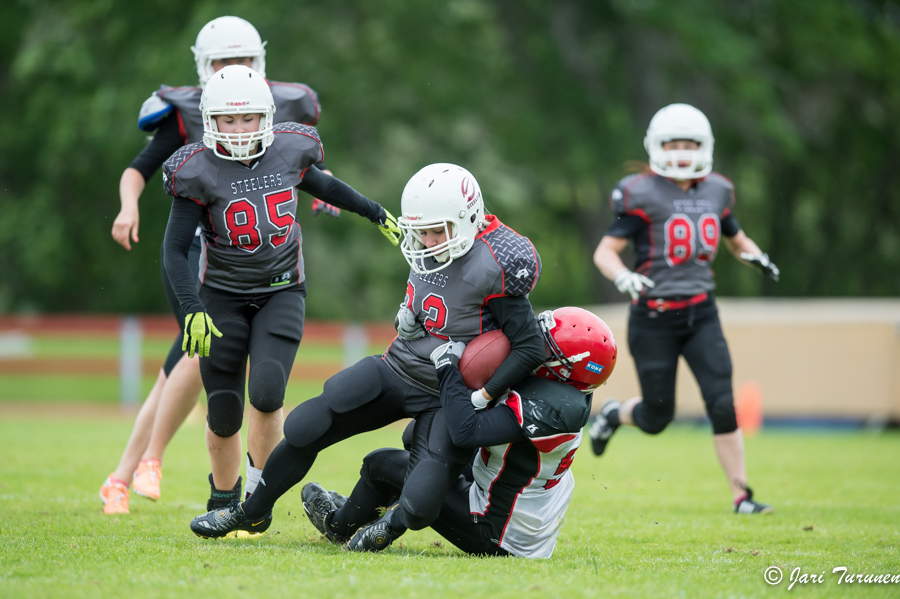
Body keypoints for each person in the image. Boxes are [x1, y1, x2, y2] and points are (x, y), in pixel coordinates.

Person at [188, 162, 546, 540]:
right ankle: (251, 512)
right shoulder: (427, 245)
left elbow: (529, 346)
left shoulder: (495, 260)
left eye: (437, 231)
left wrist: (483, 396)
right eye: (420, 231)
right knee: (306, 424)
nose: (428, 241)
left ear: (469, 217)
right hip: (398, 367)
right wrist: (407, 317)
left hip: (446, 394)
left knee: (421, 500)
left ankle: (363, 529)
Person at [101, 16, 337, 515]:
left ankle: (134, 468)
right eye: (223, 63)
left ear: (260, 63)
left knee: (196, 361)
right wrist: (128, 205)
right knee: (195, 350)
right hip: (202, 251)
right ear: (202, 68)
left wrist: (327, 190)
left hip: (253, 254)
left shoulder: (280, 103)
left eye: (244, 61)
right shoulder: (188, 110)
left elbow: (299, 165)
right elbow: (138, 169)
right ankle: (146, 464)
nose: (234, 70)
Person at [160, 64, 399, 525]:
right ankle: (222, 497)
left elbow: (321, 183)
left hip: (281, 290)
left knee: (268, 393)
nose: (238, 129)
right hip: (221, 296)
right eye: (228, 120)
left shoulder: (290, 148)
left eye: (247, 118)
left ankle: (254, 502)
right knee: (224, 410)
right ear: (210, 122)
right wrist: (191, 307)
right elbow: (173, 250)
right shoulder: (196, 170)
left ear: (265, 116)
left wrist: (372, 211)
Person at [301, 307, 617, 557]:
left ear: (562, 368)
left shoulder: (550, 409)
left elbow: (466, 431)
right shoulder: (564, 392)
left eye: (544, 346)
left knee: (380, 464)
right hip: (513, 506)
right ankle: (371, 510)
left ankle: (340, 525)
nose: (532, 345)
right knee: (417, 442)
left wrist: (447, 368)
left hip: (495, 530)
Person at [587, 103, 778, 514]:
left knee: (722, 402)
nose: (681, 152)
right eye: (673, 143)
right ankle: (615, 415)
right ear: (656, 147)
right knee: (658, 417)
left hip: (701, 314)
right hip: (653, 318)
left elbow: (735, 238)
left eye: (689, 144)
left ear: (704, 147)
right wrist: (622, 276)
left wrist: (757, 256)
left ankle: (741, 495)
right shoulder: (640, 192)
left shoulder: (718, 190)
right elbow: (605, 252)